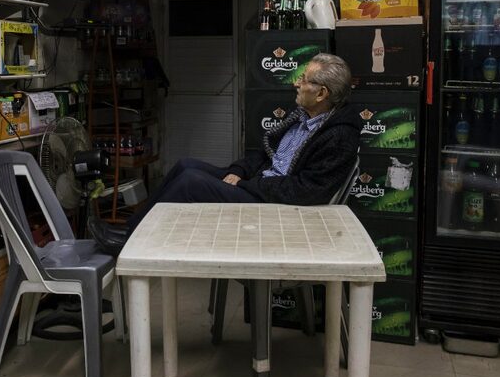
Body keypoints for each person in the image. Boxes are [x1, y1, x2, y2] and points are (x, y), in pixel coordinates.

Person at [88, 53, 361, 255]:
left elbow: (306, 191)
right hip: (262, 184)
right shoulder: (305, 116)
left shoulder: (338, 135)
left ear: (322, 93)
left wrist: (246, 184)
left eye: (304, 79)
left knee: (191, 182)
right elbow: (267, 155)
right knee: (185, 165)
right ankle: (130, 229)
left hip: (278, 206)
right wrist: (240, 170)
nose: (297, 84)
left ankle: (128, 243)